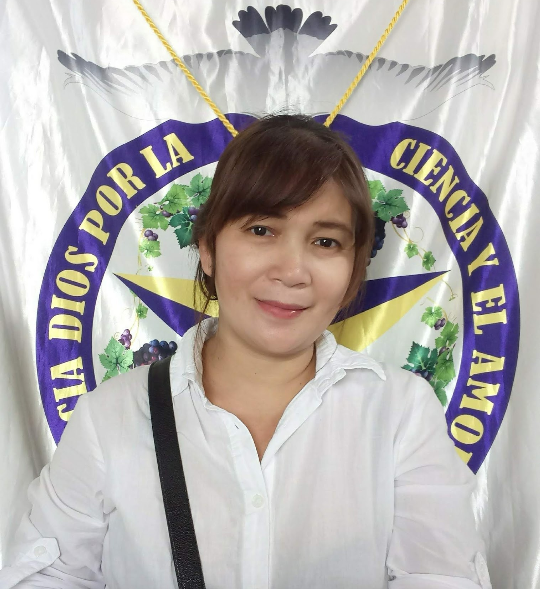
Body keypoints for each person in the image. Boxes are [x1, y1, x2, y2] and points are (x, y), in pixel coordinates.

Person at [0, 114, 492, 589]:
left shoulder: (401, 413)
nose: (292, 271)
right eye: (261, 230)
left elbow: (442, 577)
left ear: (353, 270)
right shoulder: (107, 419)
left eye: (325, 242)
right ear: (208, 248)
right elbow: (48, 577)